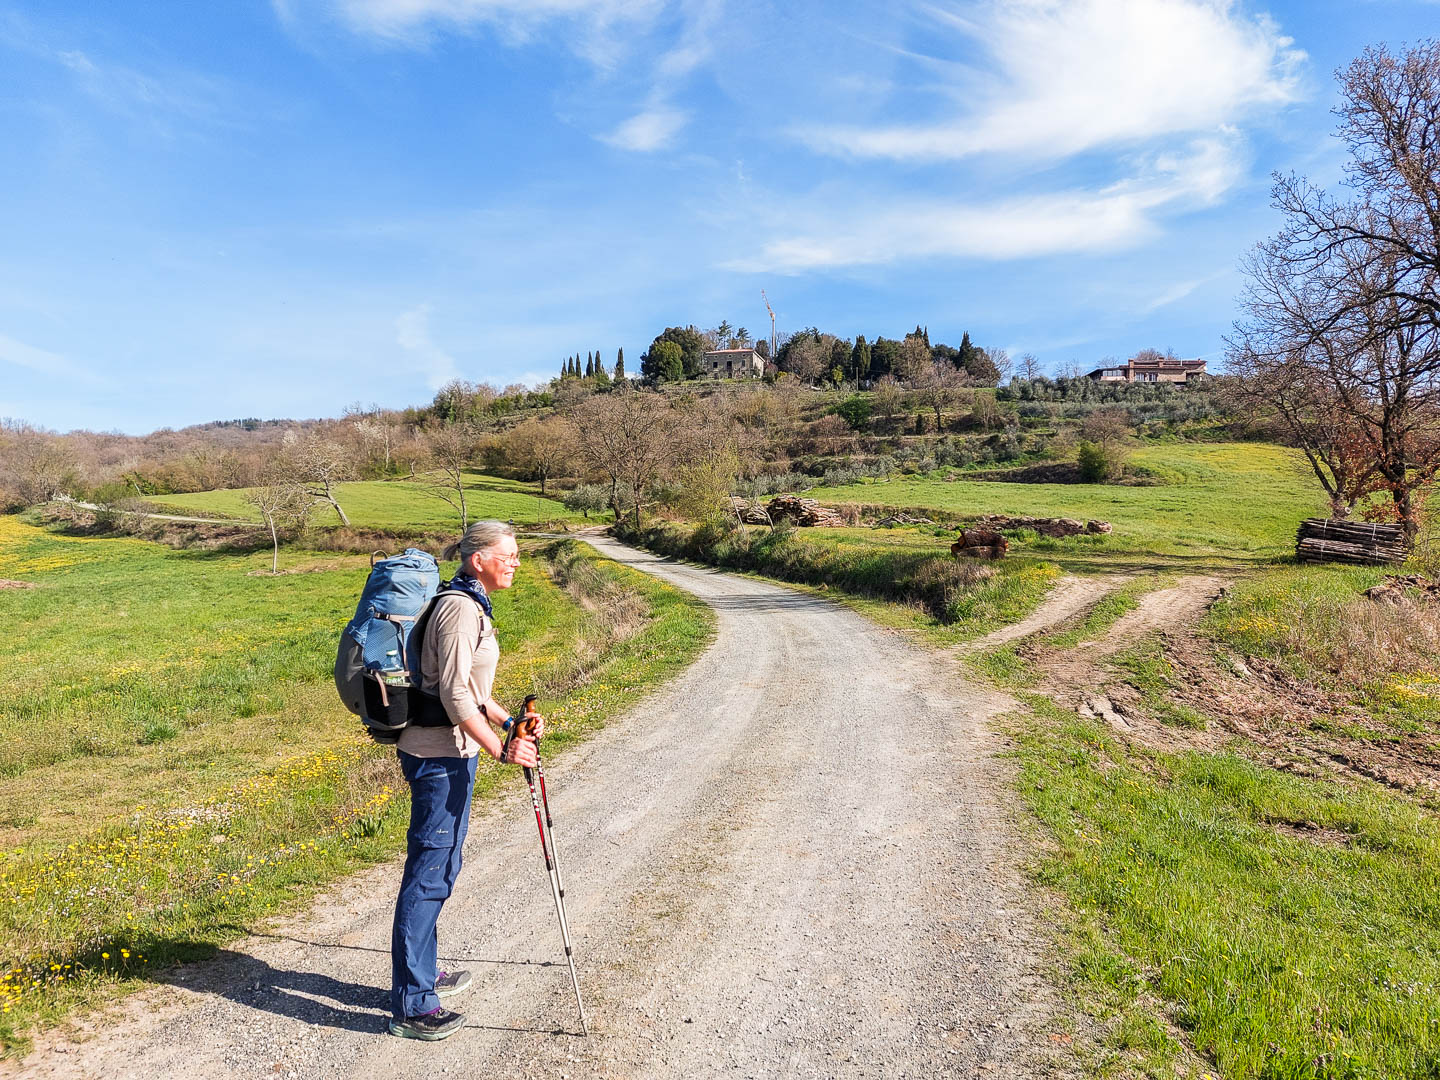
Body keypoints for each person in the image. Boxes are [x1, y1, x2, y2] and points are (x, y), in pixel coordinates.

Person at [389, 520, 542, 1041]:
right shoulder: (458, 609)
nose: (517, 563)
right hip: (436, 757)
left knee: (443, 865)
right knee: (429, 874)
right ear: (478, 559)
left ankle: (424, 975)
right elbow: (455, 699)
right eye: (510, 555)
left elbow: (474, 693)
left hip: (455, 752)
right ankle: (412, 1006)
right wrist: (504, 750)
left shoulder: (471, 603)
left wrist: (507, 722)